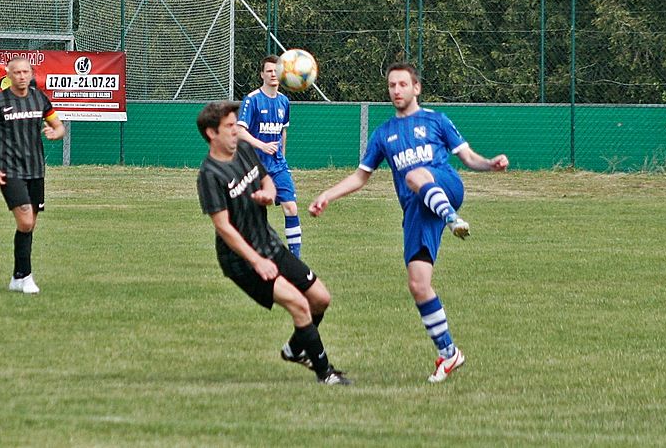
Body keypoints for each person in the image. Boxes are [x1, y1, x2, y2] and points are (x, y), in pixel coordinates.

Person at [309, 62, 509, 383]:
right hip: (417, 210)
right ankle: (449, 353)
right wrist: (328, 195)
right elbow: (360, 177)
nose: (396, 90)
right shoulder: (383, 133)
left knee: (415, 174)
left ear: (416, 88)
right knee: (418, 285)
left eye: (403, 84)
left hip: (446, 186)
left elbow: (468, 157)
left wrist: (490, 164)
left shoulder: (436, 120)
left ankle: (451, 217)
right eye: (392, 85)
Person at [196, 101, 350, 385]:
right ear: (211, 133)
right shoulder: (209, 175)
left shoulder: (244, 150)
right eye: (229, 126)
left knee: (320, 299)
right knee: (299, 304)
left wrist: (268, 193)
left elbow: (267, 180)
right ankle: (326, 373)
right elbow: (223, 227)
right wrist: (256, 262)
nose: (236, 131)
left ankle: (294, 349)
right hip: (242, 261)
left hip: (269, 244)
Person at [0, 57, 64, 294]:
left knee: (29, 225)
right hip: (8, 168)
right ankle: (27, 276)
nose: (22, 76)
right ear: (9, 75)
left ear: (31, 73)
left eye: (26, 72)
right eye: (17, 72)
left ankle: (18, 277)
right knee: (25, 221)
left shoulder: (39, 98)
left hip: (35, 169)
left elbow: (59, 126)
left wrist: (55, 133)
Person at [237, 55, 303, 258]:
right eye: (269, 71)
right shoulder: (252, 100)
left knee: (291, 207)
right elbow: (240, 131)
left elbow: (283, 132)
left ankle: (295, 258)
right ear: (262, 75)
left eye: (276, 71)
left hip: (278, 165)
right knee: (256, 214)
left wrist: (281, 156)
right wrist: (262, 145)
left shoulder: (284, 101)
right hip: (254, 165)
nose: (273, 74)